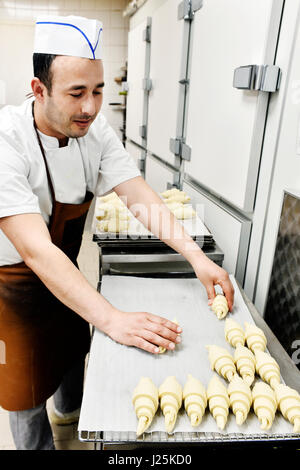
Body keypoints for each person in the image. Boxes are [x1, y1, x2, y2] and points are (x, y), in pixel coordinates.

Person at [0, 15, 234, 450]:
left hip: (64, 269)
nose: (91, 106)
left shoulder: (94, 130)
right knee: (23, 393)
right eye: (76, 93)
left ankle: (69, 422)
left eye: (98, 90)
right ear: (39, 90)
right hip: (14, 287)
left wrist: (196, 256)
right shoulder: (6, 141)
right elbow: (35, 250)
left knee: (72, 357)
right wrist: (112, 318)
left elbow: (138, 195)